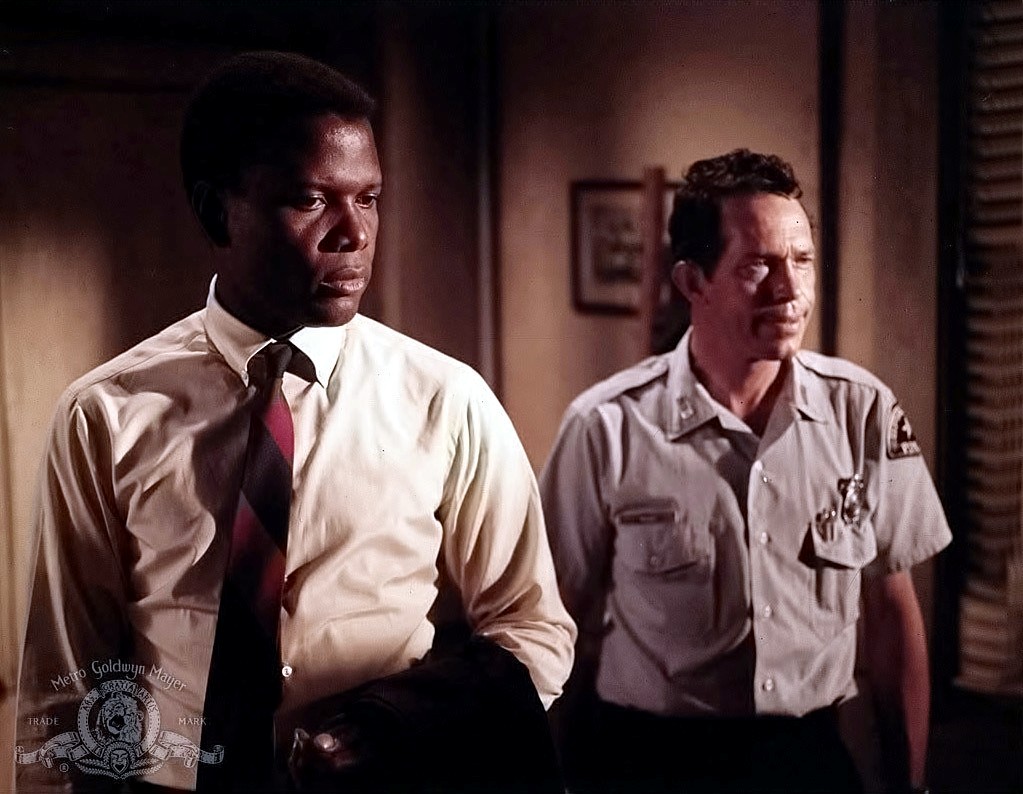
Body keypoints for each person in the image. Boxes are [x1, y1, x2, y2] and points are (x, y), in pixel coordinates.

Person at [15, 51, 574, 793]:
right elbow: (64, 685)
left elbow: (533, 630)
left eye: (369, 198)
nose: (354, 233)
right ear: (218, 210)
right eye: (312, 200)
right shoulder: (106, 413)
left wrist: (395, 725)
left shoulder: (446, 399)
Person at [540, 149, 951, 794]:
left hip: (807, 760)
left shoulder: (861, 412)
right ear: (692, 281)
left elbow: (892, 617)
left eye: (802, 261)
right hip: (653, 762)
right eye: (758, 265)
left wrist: (911, 786)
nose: (790, 291)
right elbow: (552, 622)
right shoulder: (607, 428)